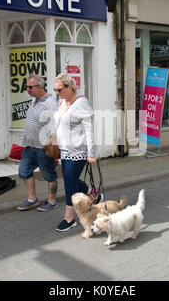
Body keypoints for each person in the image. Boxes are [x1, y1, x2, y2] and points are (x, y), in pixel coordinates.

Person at [53, 73, 99, 232]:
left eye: (59, 89)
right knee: (68, 178)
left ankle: (69, 218)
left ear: (70, 87)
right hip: (64, 150)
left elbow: (90, 129)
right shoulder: (60, 102)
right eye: (55, 90)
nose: (57, 93)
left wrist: (92, 153)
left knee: (69, 182)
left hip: (78, 150)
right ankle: (93, 195)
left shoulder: (82, 103)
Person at [16, 74, 59, 212]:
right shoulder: (35, 100)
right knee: (24, 171)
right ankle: (32, 199)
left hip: (42, 147)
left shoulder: (50, 103)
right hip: (30, 145)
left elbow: (53, 125)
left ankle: (52, 201)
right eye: (26, 87)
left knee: (49, 175)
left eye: (30, 87)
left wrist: (49, 144)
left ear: (40, 87)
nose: (27, 89)